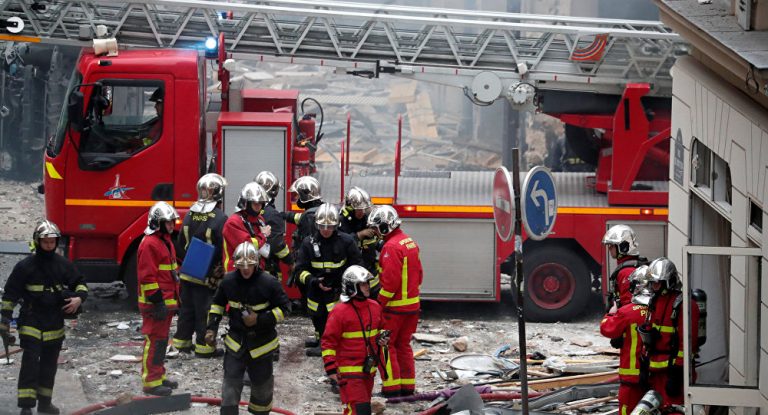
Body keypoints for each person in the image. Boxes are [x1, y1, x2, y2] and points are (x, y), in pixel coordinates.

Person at [0, 220, 88, 415]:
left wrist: (78, 299)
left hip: (54, 322)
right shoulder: (25, 266)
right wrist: (5, 319)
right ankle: (26, 406)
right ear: (37, 241)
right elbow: (10, 294)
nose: (49, 245)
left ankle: (45, 403)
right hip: (31, 320)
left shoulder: (63, 265)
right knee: (30, 363)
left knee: (49, 366)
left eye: (52, 242)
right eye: (45, 242)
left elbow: (81, 283)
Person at [204, 242, 290, 415]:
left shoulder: (269, 282)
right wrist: (211, 329)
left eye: (249, 265)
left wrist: (259, 319)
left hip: (262, 345)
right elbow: (217, 305)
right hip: (236, 343)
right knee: (230, 383)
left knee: (262, 387)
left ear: (256, 263)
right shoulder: (228, 281)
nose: (245, 269)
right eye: (241, 266)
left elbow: (285, 308)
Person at [368, 205, 423, 397]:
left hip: (394, 310)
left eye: (376, 228)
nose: (375, 232)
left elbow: (390, 283)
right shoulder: (409, 242)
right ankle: (407, 388)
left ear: (384, 226)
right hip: (412, 308)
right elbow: (420, 275)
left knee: (386, 346)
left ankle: (391, 389)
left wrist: (379, 304)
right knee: (403, 346)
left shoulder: (390, 247)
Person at [172, 173, 228, 358]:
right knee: (205, 311)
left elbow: (180, 242)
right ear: (220, 194)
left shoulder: (190, 213)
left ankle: (182, 344)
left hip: (188, 271)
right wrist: (219, 269)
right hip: (208, 275)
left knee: (187, 310)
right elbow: (223, 247)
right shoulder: (221, 217)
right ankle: (205, 349)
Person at [295, 203, 362, 357]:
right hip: (315, 289)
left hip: (338, 289)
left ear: (336, 225)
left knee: (335, 318)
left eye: (329, 226)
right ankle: (320, 340)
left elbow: (357, 265)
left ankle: (328, 346)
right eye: (322, 226)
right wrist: (313, 281)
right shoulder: (308, 243)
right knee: (317, 316)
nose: (325, 230)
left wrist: (346, 285)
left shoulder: (346, 241)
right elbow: (299, 271)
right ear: (316, 225)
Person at [322, 265, 387, 414]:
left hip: (368, 370)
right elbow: (328, 342)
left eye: (367, 283)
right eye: (363, 284)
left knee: (360, 408)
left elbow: (382, 329)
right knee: (359, 409)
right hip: (349, 372)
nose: (367, 286)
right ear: (352, 287)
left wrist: (383, 338)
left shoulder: (375, 307)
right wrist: (330, 368)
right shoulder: (340, 311)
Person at [641, 257, 699, 410]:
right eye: (652, 283)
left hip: (673, 373)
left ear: (669, 281)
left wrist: (677, 373)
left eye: (657, 282)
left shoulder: (685, 305)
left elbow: (688, 344)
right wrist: (644, 363)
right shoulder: (655, 301)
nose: (654, 287)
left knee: (673, 410)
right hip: (656, 372)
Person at [137, 201, 181, 396]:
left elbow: (170, 273)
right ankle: (151, 381)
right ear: (157, 223)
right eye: (168, 222)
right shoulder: (150, 244)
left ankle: (158, 375)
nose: (172, 225)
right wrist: (158, 302)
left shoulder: (164, 241)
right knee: (154, 341)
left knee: (161, 342)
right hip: (155, 304)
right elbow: (147, 278)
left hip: (165, 302)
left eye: (172, 222)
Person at [600, 265, 651, 415]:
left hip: (631, 376)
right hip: (654, 374)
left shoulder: (627, 312)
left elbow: (606, 329)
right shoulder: (659, 310)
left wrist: (611, 313)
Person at [254, 171, 294, 283]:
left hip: (249, 268)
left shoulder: (248, 210)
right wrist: (291, 261)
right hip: (267, 272)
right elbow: (278, 245)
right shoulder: (273, 215)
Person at [222, 182, 271, 273]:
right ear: (246, 203)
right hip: (236, 272)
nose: (258, 206)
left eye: (261, 203)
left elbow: (262, 247)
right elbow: (248, 247)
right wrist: (263, 235)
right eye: (255, 203)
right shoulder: (233, 222)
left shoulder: (260, 219)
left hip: (255, 271)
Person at [339, 187, 380, 296]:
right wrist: (359, 235)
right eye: (359, 209)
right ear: (350, 208)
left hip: (370, 274)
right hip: (351, 276)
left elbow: (375, 242)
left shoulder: (366, 220)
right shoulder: (341, 222)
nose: (362, 212)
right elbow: (340, 244)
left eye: (364, 209)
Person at [602, 225, 648, 309]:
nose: (609, 248)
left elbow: (628, 306)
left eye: (611, 245)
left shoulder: (626, 272)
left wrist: (612, 316)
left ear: (623, 247)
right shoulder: (629, 266)